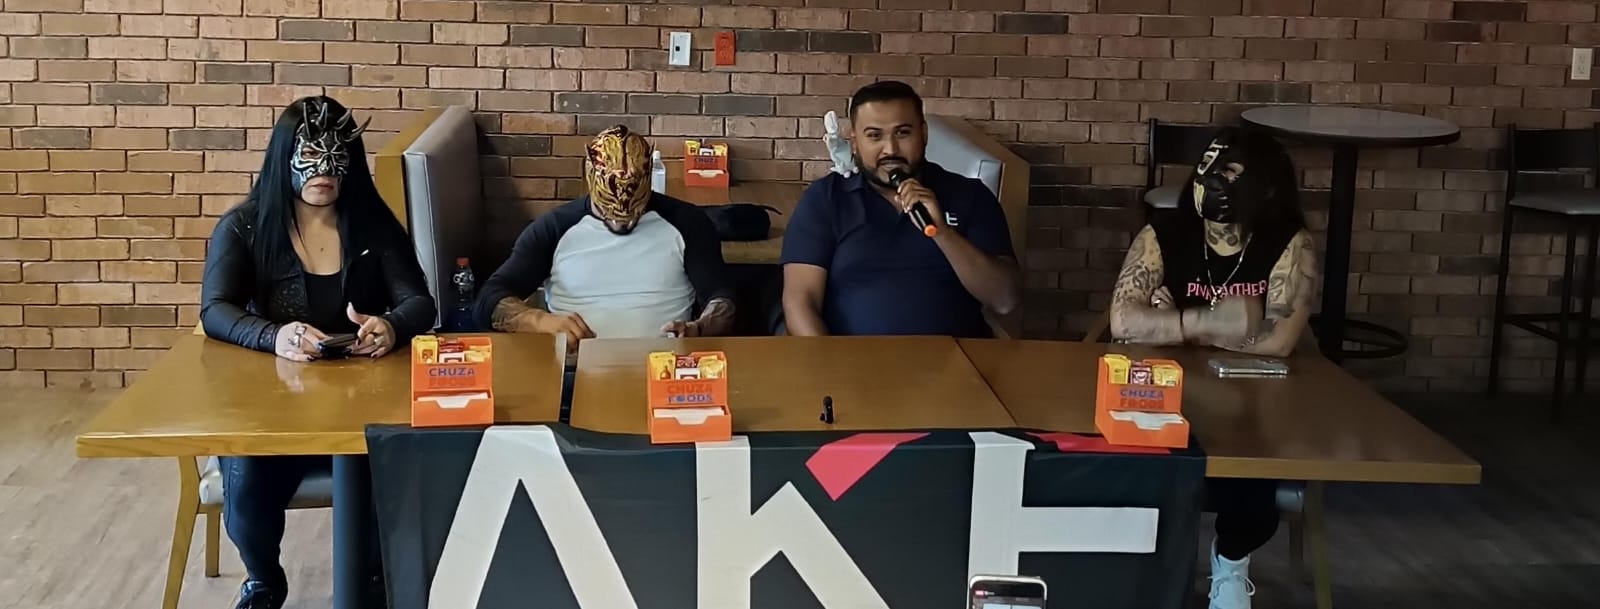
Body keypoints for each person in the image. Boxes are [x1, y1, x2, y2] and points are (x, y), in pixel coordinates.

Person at [200, 95, 435, 609]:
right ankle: (263, 580)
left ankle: (373, 583)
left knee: (394, 473)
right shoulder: (243, 227)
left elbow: (420, 302)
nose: (323, 171)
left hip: (363, 406)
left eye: (336, 156)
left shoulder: (373, 226)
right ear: (283, 157)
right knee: (249, 478)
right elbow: (214, 310)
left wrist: (391, 326)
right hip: (275, 409)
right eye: (309, 155)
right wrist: (273, 336)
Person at [1108, 126, 1320, 609]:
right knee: (1129, 459)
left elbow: (1279, 340)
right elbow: (1122, 321)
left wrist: (1171, 323)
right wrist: (1214, 322)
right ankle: (1145, 573)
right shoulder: (1163, 232)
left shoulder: (1290, 243)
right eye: (1210, 167)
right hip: (1162, 390)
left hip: (1250, 401)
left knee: (1251, 474)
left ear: (1266, 188)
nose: (1214, 181)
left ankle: (1231, 560)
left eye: (1232, 173)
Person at [781, 80, 1021, 337]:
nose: (891, 149)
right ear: (854, 142)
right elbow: (800, 302)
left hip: (955, 357)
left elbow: (1004, 300)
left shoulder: (970, 195)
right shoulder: (826, 198)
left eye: (903, 133)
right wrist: (829, 360)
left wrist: (942, 232)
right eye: (874, 135)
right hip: (851, 358)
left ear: (924, 134)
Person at [473, 124, 735, 347]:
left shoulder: (687, 223)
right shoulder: (555, 228)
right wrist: (540, 321)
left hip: (664, 368)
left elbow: (722, 299)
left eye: (634, 214)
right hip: (577, 370)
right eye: (610, 215)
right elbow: (488, 301)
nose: (623, 224)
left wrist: (699, 328)